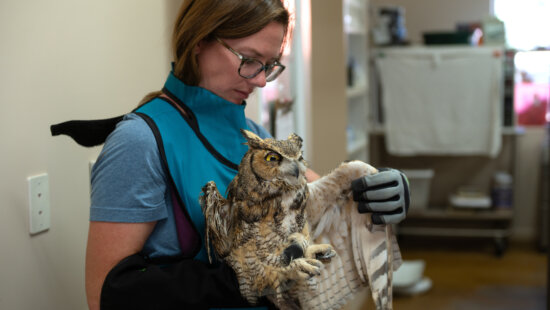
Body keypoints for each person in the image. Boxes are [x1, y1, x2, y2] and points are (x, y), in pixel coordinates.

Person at [78, 1, 410, 309]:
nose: (263, 81)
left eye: (269, 65)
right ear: (199, 42)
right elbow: (105, 295)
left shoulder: (252, 135)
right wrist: (242, 278)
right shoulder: (140, 141)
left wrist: (375, 189)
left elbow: (321, 198)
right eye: (249, 60)